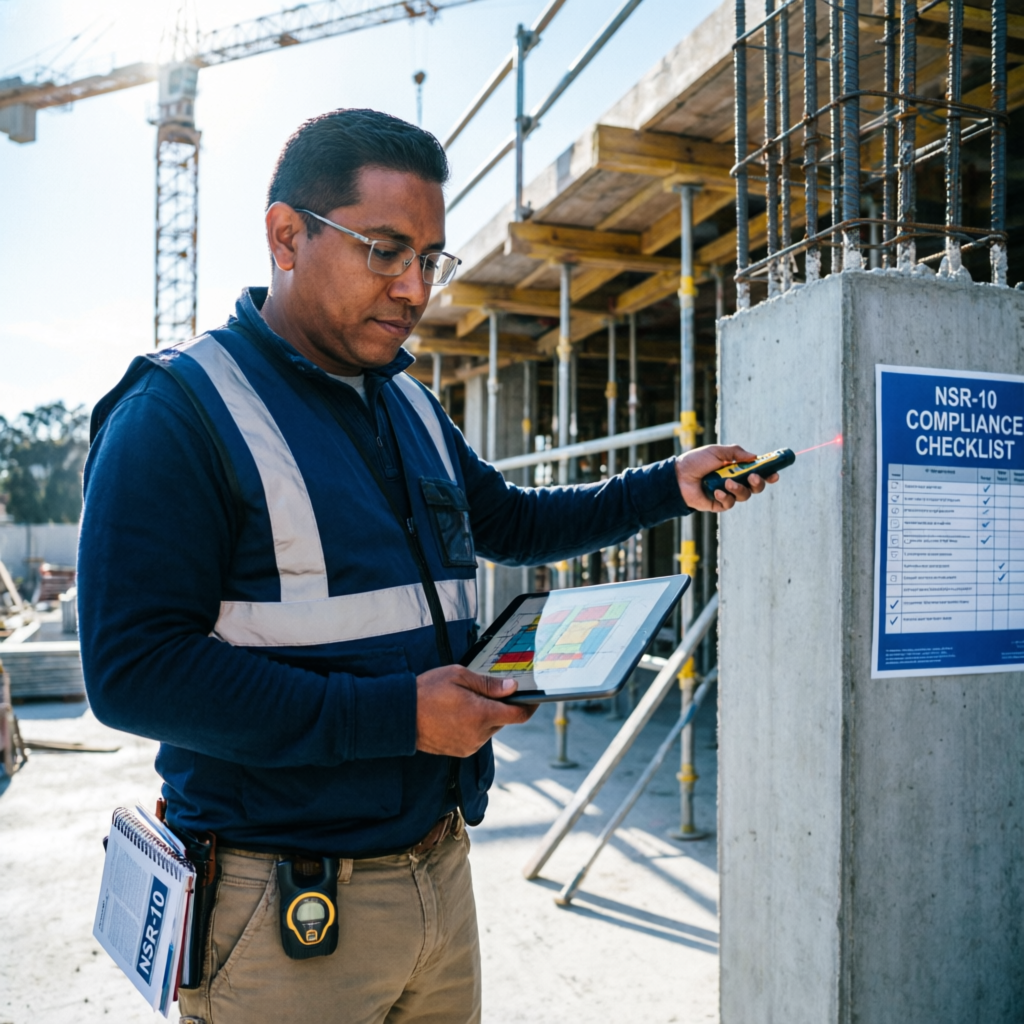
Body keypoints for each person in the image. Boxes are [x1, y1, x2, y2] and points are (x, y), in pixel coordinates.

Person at [79, 108, 776, 1024]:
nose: (415, 289)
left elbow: (512, 521)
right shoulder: (176, 413)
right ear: (287, 236)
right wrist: (400, 716)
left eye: (430, 259)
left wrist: (665, 487)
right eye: (384, 250)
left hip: (439, 873)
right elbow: (133, 674)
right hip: (282, 907)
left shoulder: (405, 401)